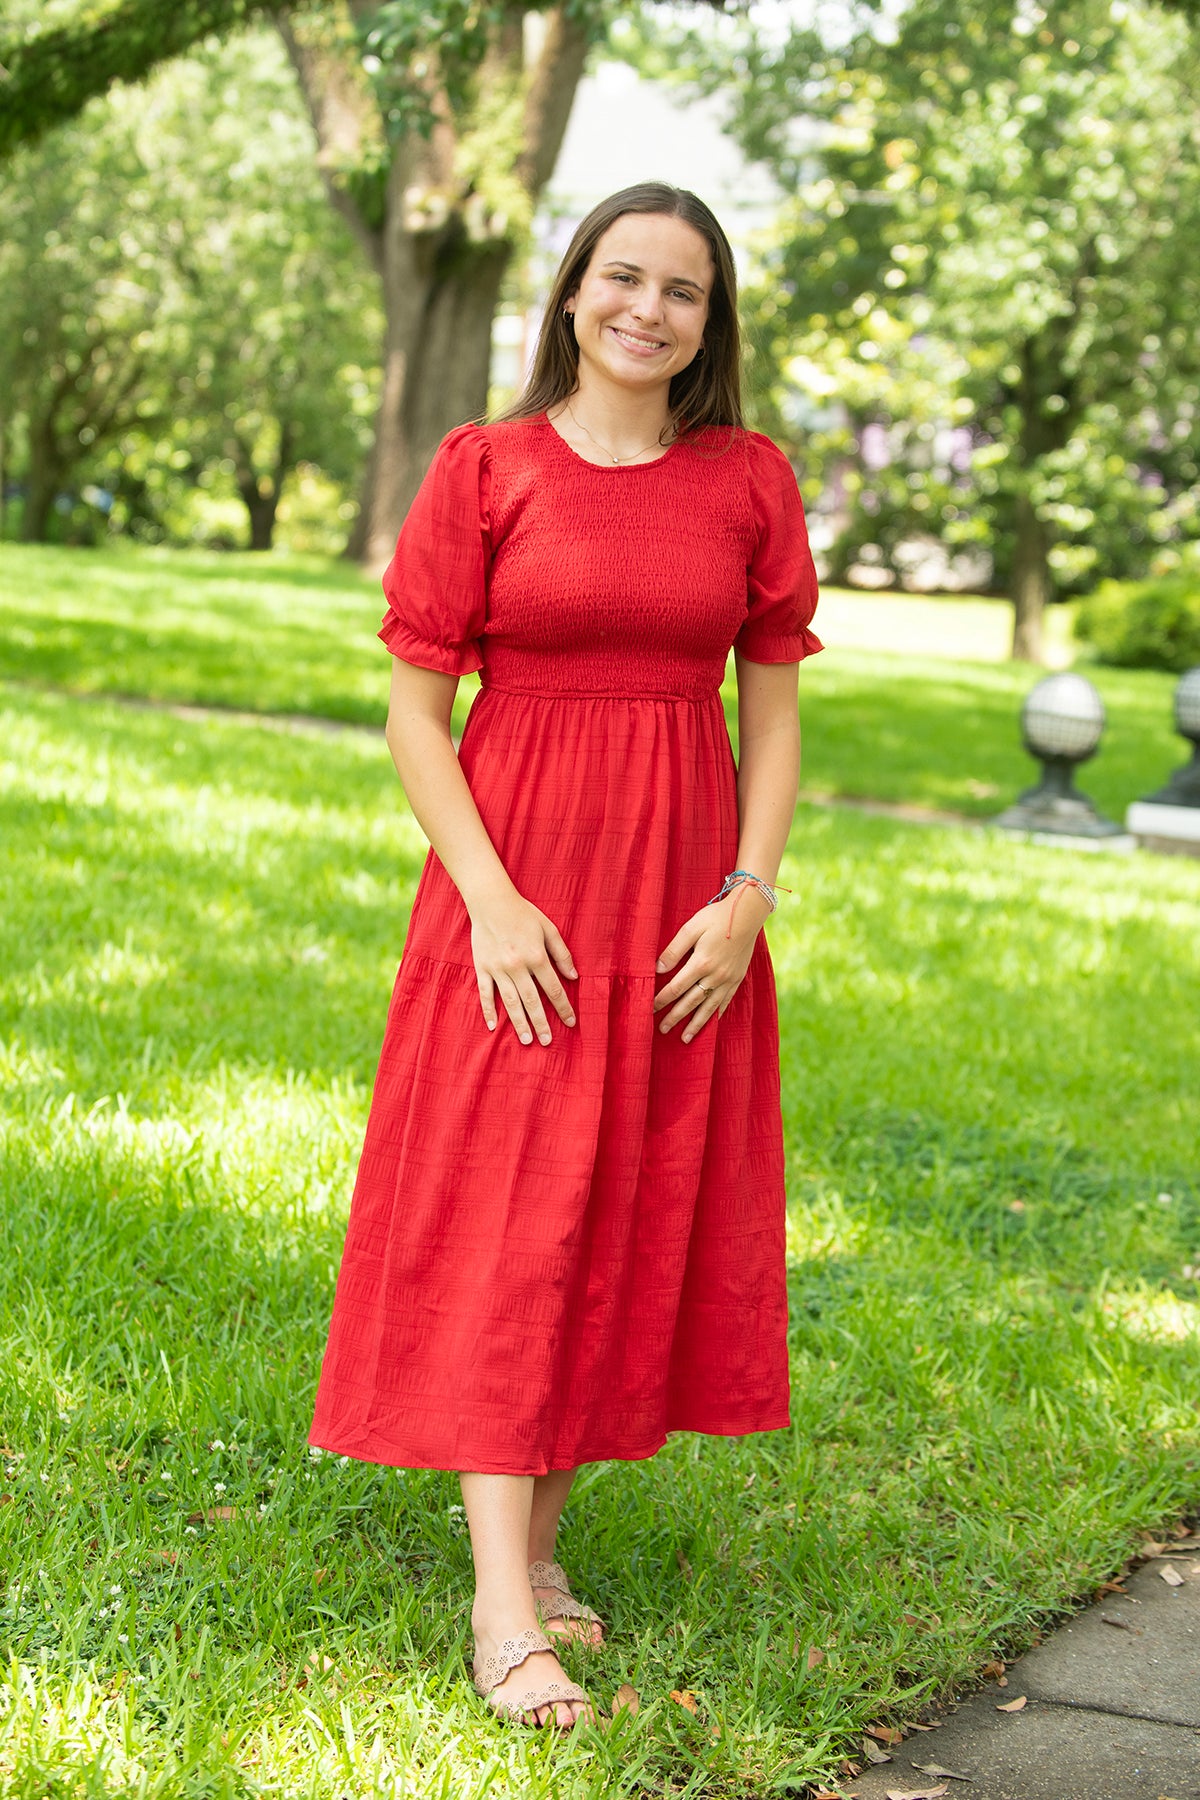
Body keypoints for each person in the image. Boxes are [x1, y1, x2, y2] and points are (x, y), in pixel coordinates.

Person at [309, 181, 822, 1730]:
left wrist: (748, 895)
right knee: (509, 1213)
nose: (647, 310)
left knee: (626, 1201)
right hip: (516, 890)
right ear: (573, 293)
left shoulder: (747, 481)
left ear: (708, 321)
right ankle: (499, 1609)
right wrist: (490, 897)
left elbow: (778, 713)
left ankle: (540, 1544)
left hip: (680, 893)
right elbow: (413, 711)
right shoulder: (488, 468)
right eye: (623, 278)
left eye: (682, 289)